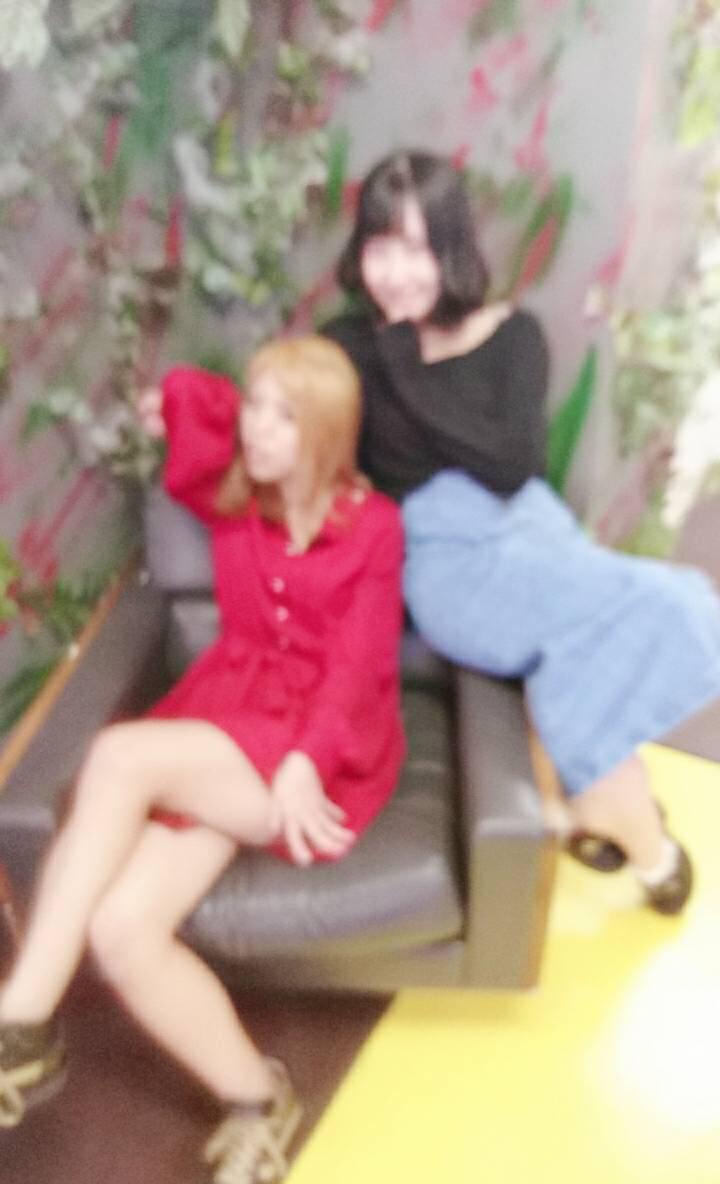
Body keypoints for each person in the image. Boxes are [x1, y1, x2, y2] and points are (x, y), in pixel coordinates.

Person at [0, 336, 405, 1183]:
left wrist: (306, 760)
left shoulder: (374, 527)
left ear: (326, 433)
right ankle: (258, 1096)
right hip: (231, 720)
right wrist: (223, 399)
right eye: (255, 407)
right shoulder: (232, 494)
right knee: (122, 932)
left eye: (284, 417)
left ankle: (22, 1020)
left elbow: (359, 666)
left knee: (120, 757)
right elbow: (195, 394)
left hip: (321, 755)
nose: (256, 427)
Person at [322, 149, 720, 915]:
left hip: (533, 531)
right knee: (669, 606)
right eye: (380, 247)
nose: (396, 273)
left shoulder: (512, 335)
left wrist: (407, 367)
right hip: (450, 562)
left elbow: (511, 465)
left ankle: (584, 808)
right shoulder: (350, 347)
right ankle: (654, 855)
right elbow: (317, 446)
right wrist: (397, 355)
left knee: (647, 620)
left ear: (453, 248)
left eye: (418, 248)